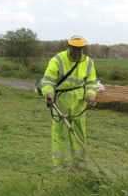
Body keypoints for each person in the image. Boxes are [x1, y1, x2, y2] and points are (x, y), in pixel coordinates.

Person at [40, 35, 98, 171]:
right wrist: (49, 94)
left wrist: (90, 97)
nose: (77, 52)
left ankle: (80, 167)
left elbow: (91, 83)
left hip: (79, 104)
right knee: (58, 136)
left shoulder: (89, 62)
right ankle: (58, 166)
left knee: (78, 136)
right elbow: (48, 80)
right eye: (74, 48)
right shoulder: (58, 59)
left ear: (83, 48)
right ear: (69, 47)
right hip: (61, 102)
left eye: (80, 49)